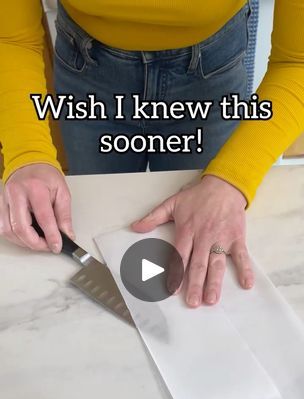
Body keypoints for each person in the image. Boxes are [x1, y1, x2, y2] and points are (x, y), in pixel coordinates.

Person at [0, 1, 303, 308]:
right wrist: (27, 153)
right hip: (86, 68)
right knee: (93, 221)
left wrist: (233, 178)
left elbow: (298, 62)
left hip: (212, 73)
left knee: (204, 238)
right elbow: (9, 39)